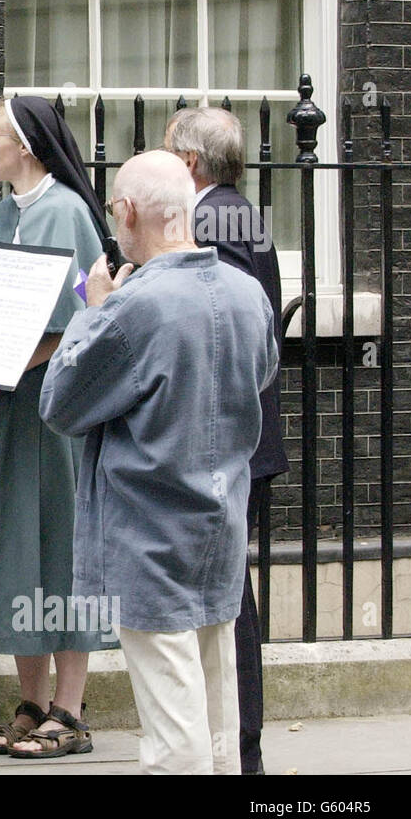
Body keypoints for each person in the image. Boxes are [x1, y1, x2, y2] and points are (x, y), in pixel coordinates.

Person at [39, 151, 279, 775]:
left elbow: (61, 404)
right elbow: (263, 377)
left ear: (127, 212)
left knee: (174, 738)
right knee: (218, 722)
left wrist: (91, 312)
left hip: (148, 540)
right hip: (220, 531)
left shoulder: (133, 307)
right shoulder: (247, 293)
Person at [0, 96, 115, 759]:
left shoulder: (66, 211)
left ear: (27, 148)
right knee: (18, 544)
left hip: (52, 411)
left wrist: (6, 366)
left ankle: (70, 710)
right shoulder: (11, 208)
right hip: (7, 405)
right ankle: (33, 701)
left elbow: (82, 317)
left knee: (60, 546)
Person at [165, 107, 288, 775]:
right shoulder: (243, 215)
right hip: (246, 443)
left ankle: (241, 752)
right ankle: (234, 748)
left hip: (228, 447)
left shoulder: (211, 223)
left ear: (188, 164)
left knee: (227, 602)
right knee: (227, 597)